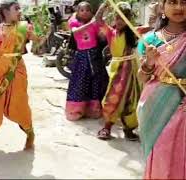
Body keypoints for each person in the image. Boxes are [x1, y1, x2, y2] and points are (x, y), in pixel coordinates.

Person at [0, 0, 44, 150]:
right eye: (16, 8)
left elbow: (39, 39)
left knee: (19, 104)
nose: (20, 11)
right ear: (5, 11)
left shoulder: (24, 27)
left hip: (17, 70)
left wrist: (42, 23)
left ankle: (30, 133)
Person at [137, 0, 186, 178]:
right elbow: (142, 78)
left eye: (184, 3)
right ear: (163, 7)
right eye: (173, 2)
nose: (179, 7)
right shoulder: (150, 39)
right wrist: (149, 62)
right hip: (156, 106)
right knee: (161, 156)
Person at [96, 2, 141, 141]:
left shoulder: (134, 32)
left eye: (123, 18)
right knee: (113, 97)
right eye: (118, 18)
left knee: (132, 99)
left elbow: (154, 27)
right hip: (117, 70)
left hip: (132, 69)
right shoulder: (111, 32)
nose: (120, 21)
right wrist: (103, 6)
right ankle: (107, 127)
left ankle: (129, 129)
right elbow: (98, 20)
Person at [66, 1, 108, 121]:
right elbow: (75, 32)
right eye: (82, 10)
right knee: (80, 83)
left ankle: (93, 109)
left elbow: (101, 36)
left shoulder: (94, 24)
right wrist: (91, 23)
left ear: (91, 12)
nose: (85, 12)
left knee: (95, 82)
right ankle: (76, 110)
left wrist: (104, 32)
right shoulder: (74, 22)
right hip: (81, 57)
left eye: (87, 10)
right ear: (77, 12)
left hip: (95, 57)